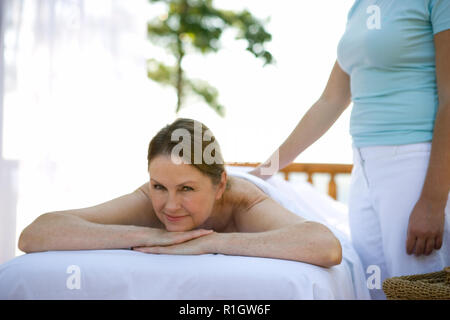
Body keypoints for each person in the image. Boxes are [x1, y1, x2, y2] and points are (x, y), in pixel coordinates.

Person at [249, 1, 450, 299]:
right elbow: (329, 102)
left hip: (415, 161)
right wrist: (261, 172)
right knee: (374, 288)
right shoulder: (360, 8)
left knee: (416, 287)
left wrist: (433, 201)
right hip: (363, 165)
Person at [18, 118, 342, 268]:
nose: (170, 205)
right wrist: (147, 235)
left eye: (187, 189)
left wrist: (211, 241)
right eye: (159, 186)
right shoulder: (150, 200)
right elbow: (35, 234)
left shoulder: (244, 199)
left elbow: (326, 247)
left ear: (220, 186)